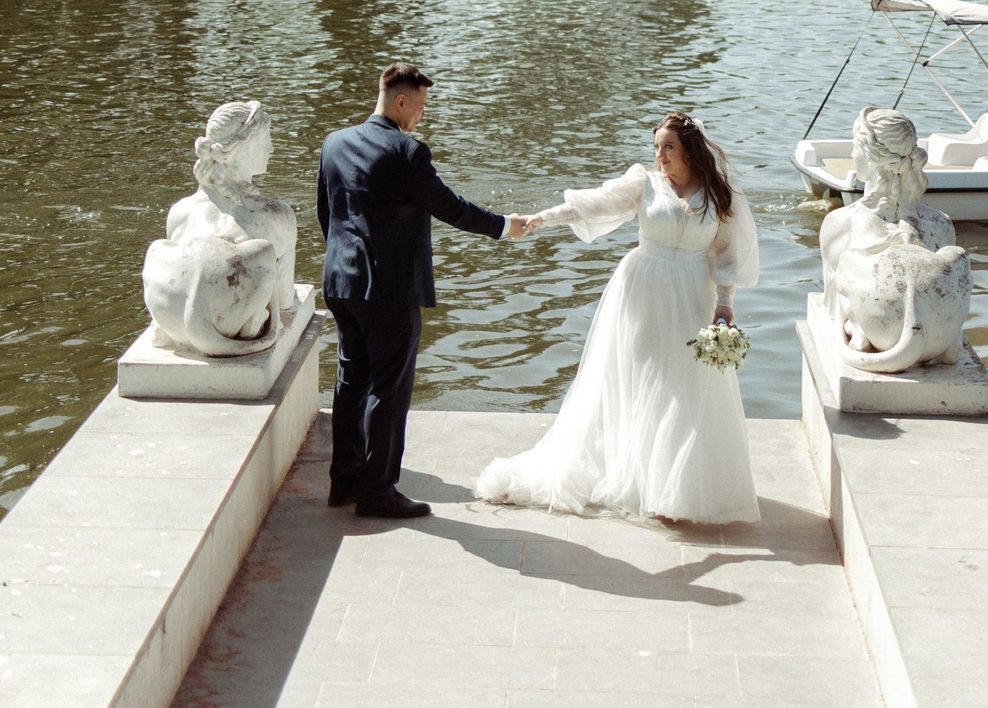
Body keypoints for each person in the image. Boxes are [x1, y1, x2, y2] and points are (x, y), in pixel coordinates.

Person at [475, 113, 760, 524]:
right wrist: (544, 218)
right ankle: (639, 477)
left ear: (690, 150)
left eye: (668, 147)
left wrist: (725, 305)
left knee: (688, 385)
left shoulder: (720, 194)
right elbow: (594, 203)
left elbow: (727, 254)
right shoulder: (644, 183)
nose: (660, 155)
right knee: (644, 379)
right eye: (657, 147)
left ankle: (675, 485)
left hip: (694, 294)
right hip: (643, 290)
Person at [316, 63, 526, 520]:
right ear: (401, 101)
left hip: (340, 282)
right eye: (422, 106)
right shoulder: (407, 152)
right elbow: (449, 206)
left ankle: (344, 482)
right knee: (389, 388)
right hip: (388, 290)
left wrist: (343, 264)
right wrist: (504, 226)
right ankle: (377, 492)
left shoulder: (334, 142)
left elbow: (326, 213)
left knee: (351, 381)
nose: (423, 115)